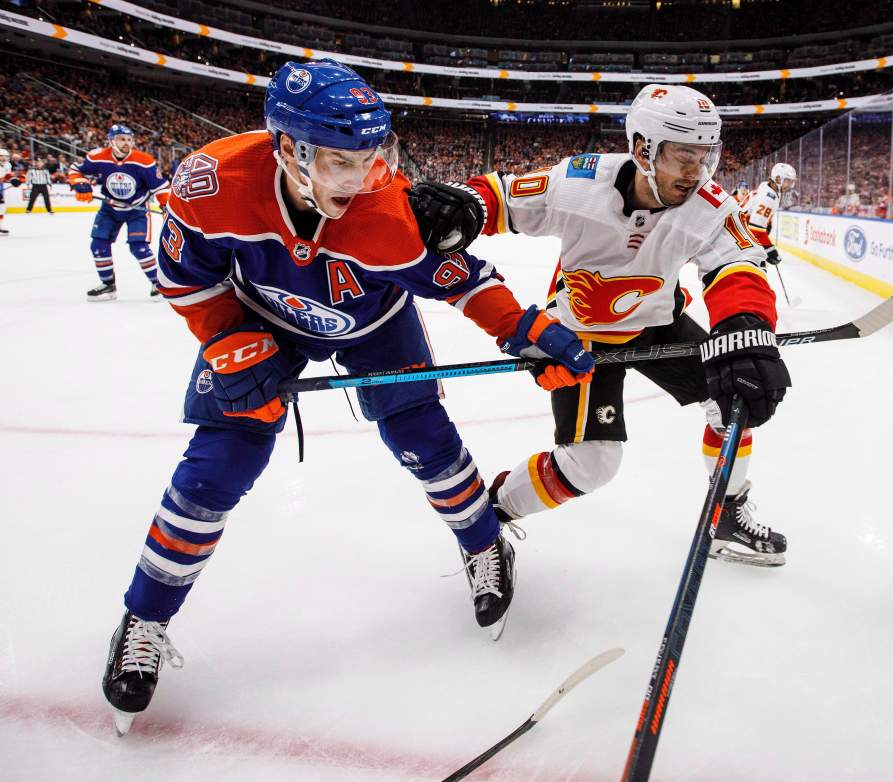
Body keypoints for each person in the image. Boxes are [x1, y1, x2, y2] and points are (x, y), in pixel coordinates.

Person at [100, 59, 594, 736]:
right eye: (338, 162)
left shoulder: (384, 209)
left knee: (424, 440)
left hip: (375, 324)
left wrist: (529, 330)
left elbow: (464, 279)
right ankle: (145, 617)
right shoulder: (213, 183)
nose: (360, 179)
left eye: (371, 158)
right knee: (217, 467)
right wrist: (224, 339)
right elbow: (184, 275)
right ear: (288, 149)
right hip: (262, 320)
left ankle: (485, 545)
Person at [409, 83, 792, 568]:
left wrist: (746, 328)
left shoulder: (710, 208)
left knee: (732, 401)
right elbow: (500, 197)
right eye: (683, 158)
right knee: (591, 466)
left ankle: (726, 513)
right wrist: (465, 204)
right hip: (580, 335)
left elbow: (738, 265)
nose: (696, 174)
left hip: (658, 322)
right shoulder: (577, 184)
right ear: (642, 149)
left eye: (705, 158)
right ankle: (491, 516)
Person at [68, 125, 171, 301]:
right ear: (111, 140)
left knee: (138, 247)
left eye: (129, 139)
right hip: (109, 209)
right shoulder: (98, 157)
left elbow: (161, 187)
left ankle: (157, 284)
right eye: (122, 139)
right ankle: (108, 285)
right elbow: (75, 170)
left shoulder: (143, 161)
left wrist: (165, 207)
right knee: (98, 245)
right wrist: (80, 183)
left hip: (136, 209)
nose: (126, 143)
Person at [743, 162, 795, 266]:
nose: (789, 185)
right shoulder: (768, 198)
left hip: (743, 234)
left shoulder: (767, 187)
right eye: (787, 181)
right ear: (777, 179)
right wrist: (770, 251)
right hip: (741, 237)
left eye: (791, 182)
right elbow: (756, 230)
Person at [0, 147, 10, 235]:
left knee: (2, 207)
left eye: (5, 156)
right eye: (1, 156)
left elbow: (7, 176)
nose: (3, 158)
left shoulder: (8, 165)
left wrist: (15, 179)